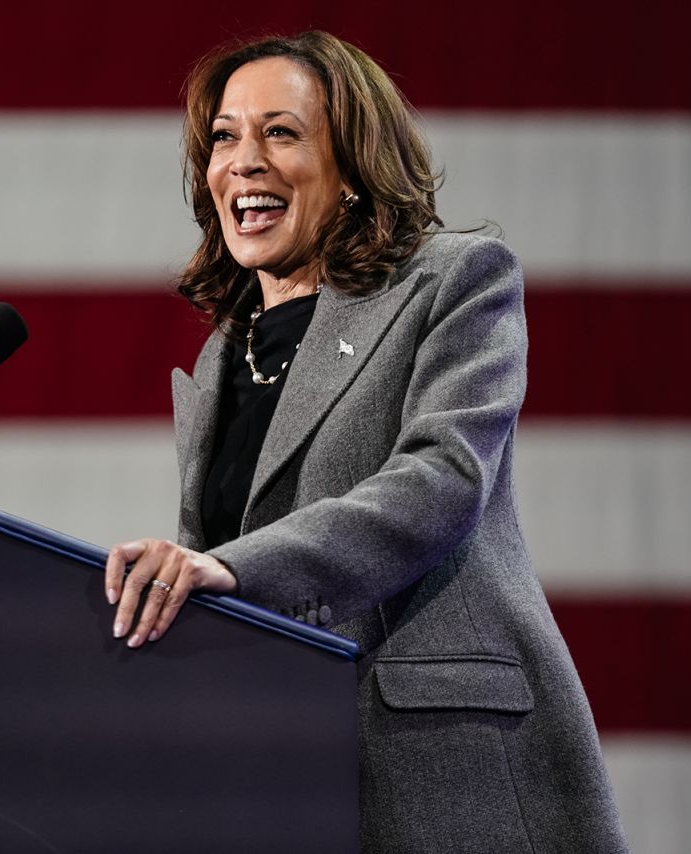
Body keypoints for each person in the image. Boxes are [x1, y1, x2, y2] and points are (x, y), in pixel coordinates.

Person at [103, 31, 630, 852]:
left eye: (280, 132)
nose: (243, 161)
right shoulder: (223, 354)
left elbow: (442, 480)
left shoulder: (454, 280)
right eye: (224, 137)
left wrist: (233, 569)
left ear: (351, 168)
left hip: (437, 757)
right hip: (281, 778)